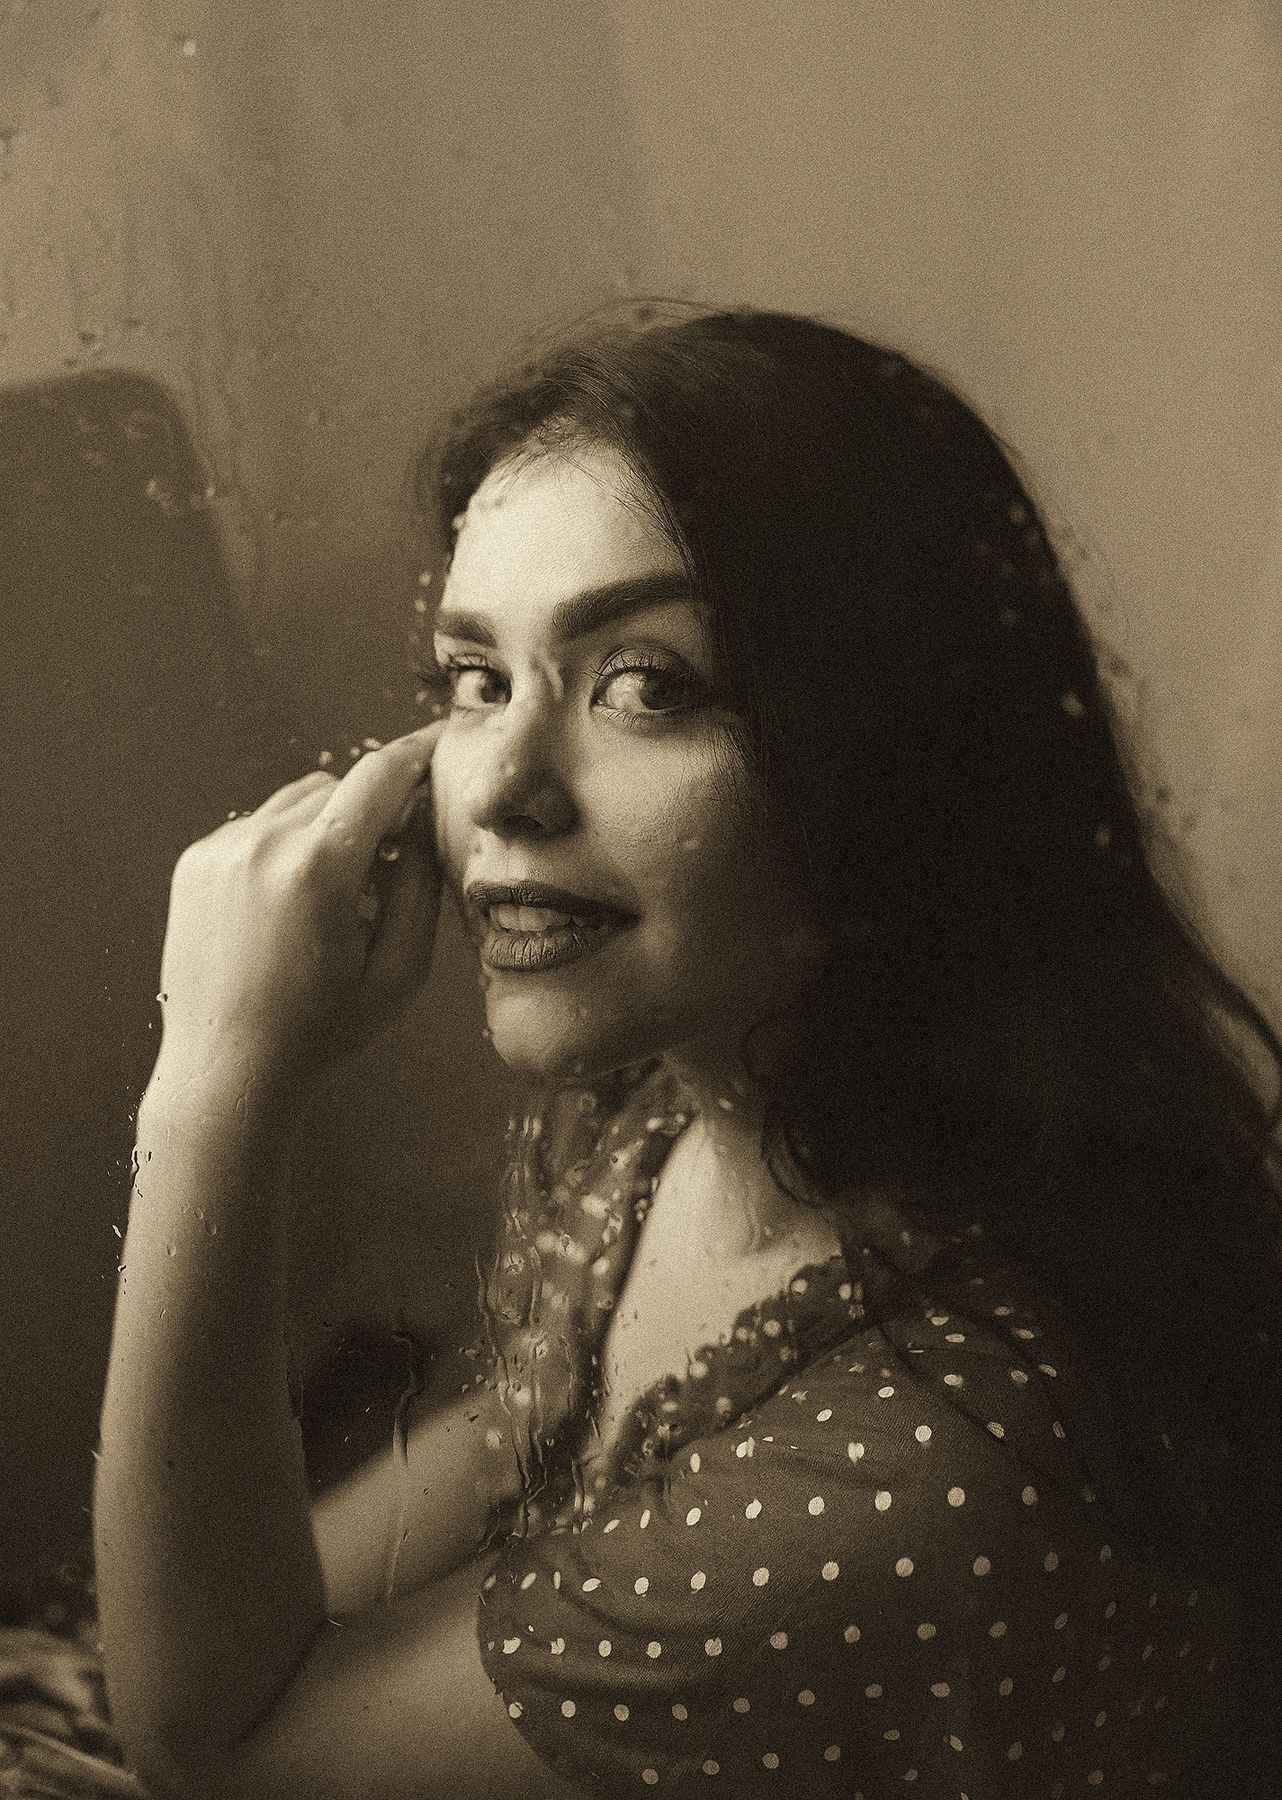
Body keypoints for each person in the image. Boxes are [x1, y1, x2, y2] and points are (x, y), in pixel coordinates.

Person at [93, 306, 1282, 1799]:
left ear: (892, 757)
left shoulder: (924, 1465)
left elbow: (225, 1751)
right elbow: (298, 1608)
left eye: (646, 685)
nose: (504, 788)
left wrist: (215, 1084)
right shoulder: (670, 1111)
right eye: (474, 679)